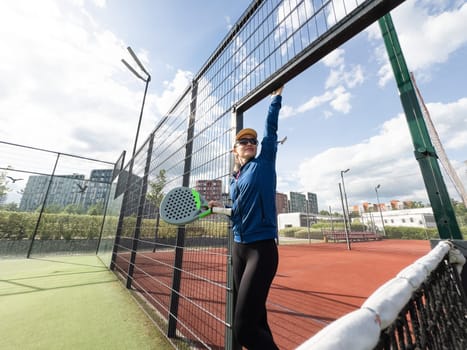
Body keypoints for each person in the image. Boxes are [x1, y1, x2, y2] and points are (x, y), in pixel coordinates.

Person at [210, 85, 284, 349]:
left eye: (252, 141)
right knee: (257, 320)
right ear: (235, 150)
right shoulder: (234, 179)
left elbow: (270, 133)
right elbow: (236, 213)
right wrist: (216, 208)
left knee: (244, 331)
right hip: (239, 249)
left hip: (261, 250)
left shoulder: (264, 164)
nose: (250, 143)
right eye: (244, 141)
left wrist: (275, 99)